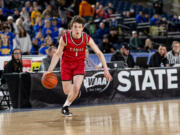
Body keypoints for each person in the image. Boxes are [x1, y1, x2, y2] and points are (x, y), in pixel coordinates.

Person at [43, 16, 112, 116]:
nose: (77, 29)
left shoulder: (86, 38)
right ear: (71, 27)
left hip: (79, 64)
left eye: (79, 27)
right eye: (75, 27)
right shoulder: (65, 38)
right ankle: (75, 92)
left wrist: (106, 69)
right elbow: (57, 54)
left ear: (82, 28)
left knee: (76, 87)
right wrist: (49, 70)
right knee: (67, 91)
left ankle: (65, 107)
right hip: (66, 64)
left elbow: (99, 53)